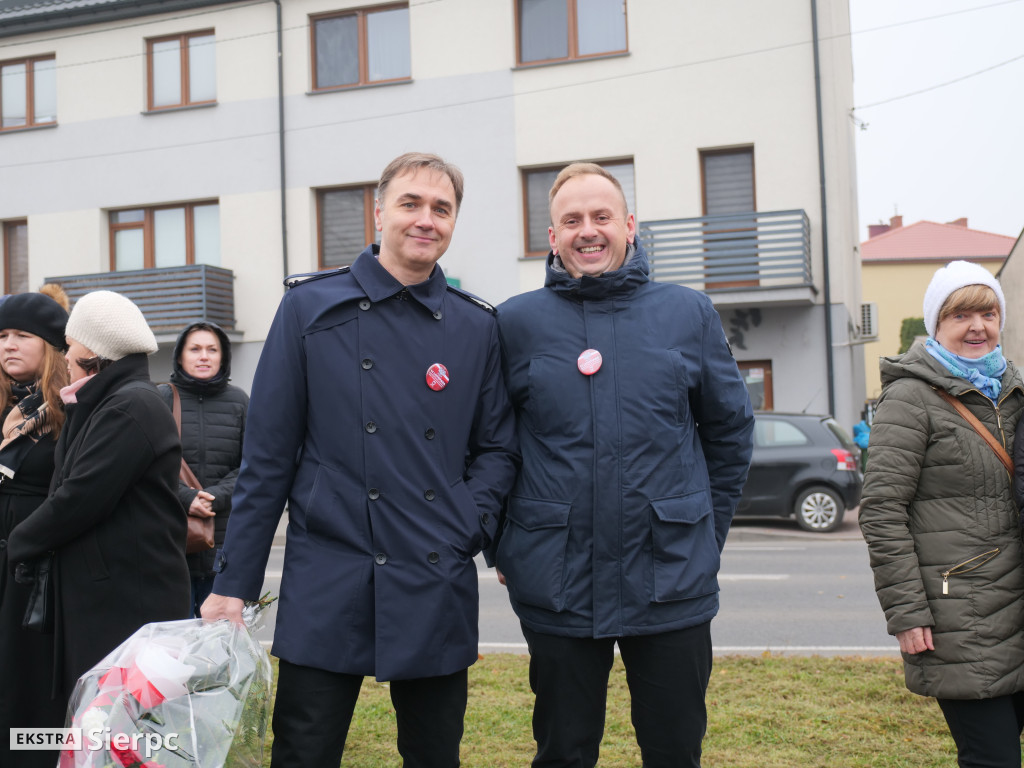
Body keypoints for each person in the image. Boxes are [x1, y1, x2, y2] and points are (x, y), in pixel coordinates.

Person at [202, 152, 519, 768]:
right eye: (411, 204)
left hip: (434, 570)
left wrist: (467, 523)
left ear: (454, 222)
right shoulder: (307, 310)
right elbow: (268, 457)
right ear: (379, 212)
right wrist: (232, 585)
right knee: (304, 750)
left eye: (441, 208)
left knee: (434, 755)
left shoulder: (476, 326)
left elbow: (498, 448)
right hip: (330, 570)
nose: (425, 219)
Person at [494, 163, 755, 768]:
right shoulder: (514, 323)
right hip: (555, 577)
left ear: (629, 226)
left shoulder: (688, 314)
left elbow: (730, 431)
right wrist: (503, 542)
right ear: (552, 236)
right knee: (564, 749)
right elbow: (489, 444)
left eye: (602, 217)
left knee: (674, 749)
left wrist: (705, 531)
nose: (589, 231)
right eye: (572, 220)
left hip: (671, 578)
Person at [859, 260, 1024, 767]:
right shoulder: (910, 398)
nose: (978, 326)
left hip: (1019, 603)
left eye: (988, 312)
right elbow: (882, 511)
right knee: (992, 758)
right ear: (937, 324)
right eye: (961, 315)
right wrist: (907, 614)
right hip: (964, 613)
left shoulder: (1013, 391)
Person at [7, 290, 190, 702]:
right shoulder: (104, 401)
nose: (66, 356)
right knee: (102, 731)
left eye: (70, 346)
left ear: (93, 348)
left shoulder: (129, 407)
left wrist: (17, 543)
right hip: (106, 595)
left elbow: (79, 498)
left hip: (128, 602)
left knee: (130, 735)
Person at [0, 287, 70, 767]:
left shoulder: (68, 409)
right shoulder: (3, 407)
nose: (8, 344)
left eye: (22, 335)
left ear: (50, 346)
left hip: (39, 560)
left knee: (27, 668)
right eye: (2, 334)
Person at [158, 322, 248, 617]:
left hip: (223, 548)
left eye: (212, 349)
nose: (204, 356)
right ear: (180, 356)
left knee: (217, 650)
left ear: (223, 357)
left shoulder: (240, 402)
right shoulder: (161, 399)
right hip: (171, 547)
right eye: (195, 349)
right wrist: (186, 497)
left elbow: (252, 465)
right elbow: (148, 464)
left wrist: (212, 496)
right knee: (174, 651)